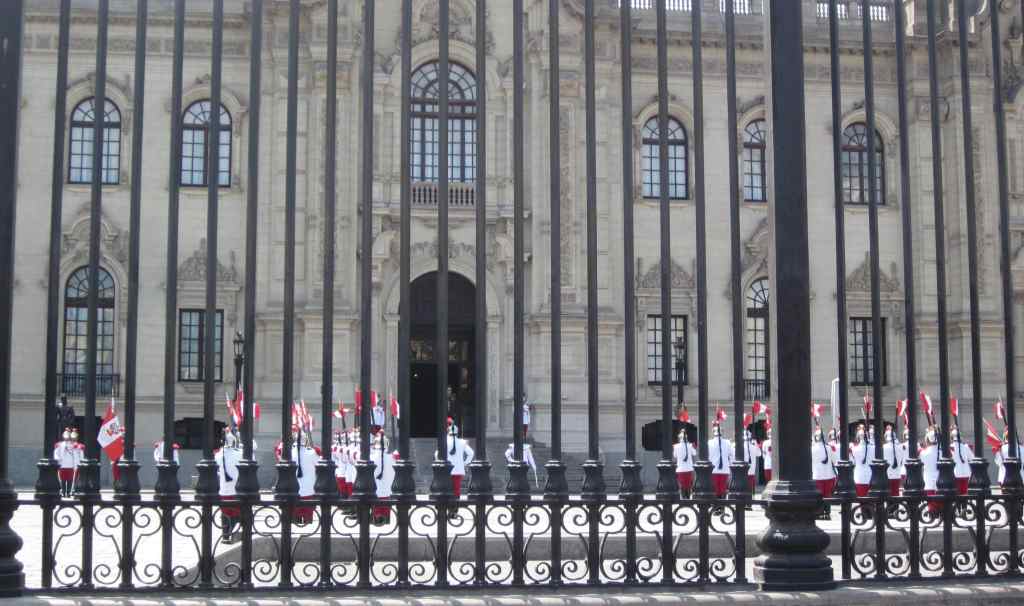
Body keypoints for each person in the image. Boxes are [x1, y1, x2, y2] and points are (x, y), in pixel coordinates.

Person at [215, 428, 242, 543]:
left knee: (225, 514)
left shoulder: (217, 455)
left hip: (224, 490)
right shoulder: (239, 454)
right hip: (236, 490)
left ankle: (225, 535)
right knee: (236, 514)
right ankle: (234, 534)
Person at [441, 418, 474, 500]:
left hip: (446, 469)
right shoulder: (462, 442)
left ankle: (446, 506)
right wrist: (465, 463)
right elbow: (471, 453)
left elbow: (437, 454)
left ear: (448, 432)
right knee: (456, 489)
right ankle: (455, 508)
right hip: (458, 469)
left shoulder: (444, 442)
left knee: (446, 489)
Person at [372, 430, 396, 525]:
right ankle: (385, 520)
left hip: (375, 492)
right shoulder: (392, 458)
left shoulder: (371, 458)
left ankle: (377, 519)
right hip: (387, 492)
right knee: (385, 509)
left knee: (377, 510)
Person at [707, 424, 734, 498]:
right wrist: (731, 465)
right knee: (723, 488)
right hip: (724, 468)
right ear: (722, 432)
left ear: (713, 432)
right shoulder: (728, 442)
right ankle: (722, 506)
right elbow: (732, 455)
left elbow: (707, 456)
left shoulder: (709, 443)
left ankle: (716, 505)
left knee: (715, 488)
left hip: (714, 469)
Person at [53, 428, 80, 498]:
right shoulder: (59, 445)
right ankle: (63, 491)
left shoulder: (73, 445)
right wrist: (57, 460)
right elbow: (56, 453)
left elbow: (75, 455)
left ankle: (68, 492)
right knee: (62, 480)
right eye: (66, 436)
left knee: (70, 480)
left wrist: (76, 464)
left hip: (70, 465)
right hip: (62, 465)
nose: (67, 438)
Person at [919, 428, 941, 514]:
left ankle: (932, 513)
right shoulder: (942, 451)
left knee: (931, 500)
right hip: (940, 479)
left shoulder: (923, 452)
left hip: (928, 479)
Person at [950, 426, 974, 496]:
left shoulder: (950, 447)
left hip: (955, 474)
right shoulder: (966, 447)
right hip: (966, 473)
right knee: (965, 494)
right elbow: (972, 458)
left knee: (957, 495)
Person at [673, 428, 697, 498]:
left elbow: (675, 456)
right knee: (688, 484)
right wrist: (693, 446)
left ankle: (683, 497)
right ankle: (688, 497)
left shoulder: (676, 446)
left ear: (679, 438)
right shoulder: (689, 445)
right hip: (689, 468)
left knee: (682, 485)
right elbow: (694, 453)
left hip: (680, 469)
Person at [882, 425, 903, 497]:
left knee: (888, 497)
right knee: (895, 495)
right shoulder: (901, 447)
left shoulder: (883, 448)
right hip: (897, 474)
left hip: (887, 475)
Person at [851, 425, 872, 497]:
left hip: (859, 478)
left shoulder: (854, 449)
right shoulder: (873, 447)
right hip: (870, 477)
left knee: (862, 500)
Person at [739, 429, 762, 495]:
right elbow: (759, 454)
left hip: (743, 470)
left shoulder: (741, 447)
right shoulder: (753, 446)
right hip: (751, 470)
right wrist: (756, 444)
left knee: (744, 487)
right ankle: (749, 500)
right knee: (750, 486)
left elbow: (759, 454)